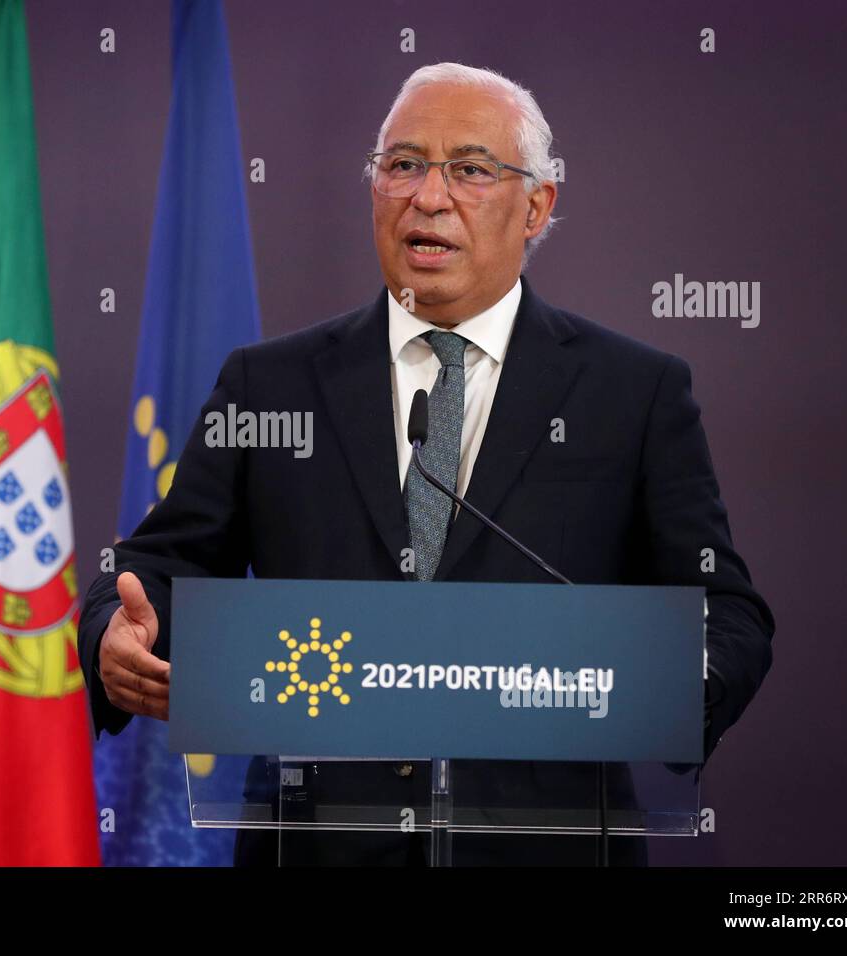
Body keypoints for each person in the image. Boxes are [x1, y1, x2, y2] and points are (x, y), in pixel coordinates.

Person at [78, 62, 774, 866]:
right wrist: (114, 636)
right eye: (402, 165)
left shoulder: (633, 392)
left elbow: (728, 610)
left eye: (471, 170)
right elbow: (155, 564)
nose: (428, 197)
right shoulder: (271, 384)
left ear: (537, 206)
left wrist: (679, 687)